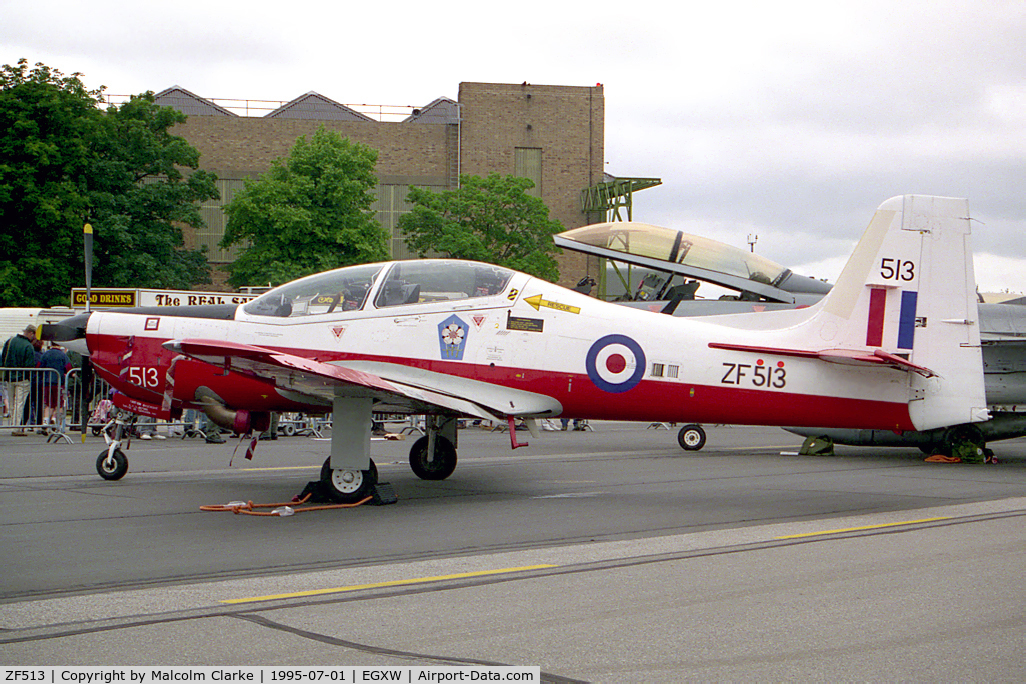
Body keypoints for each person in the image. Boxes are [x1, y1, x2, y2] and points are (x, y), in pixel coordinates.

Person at [2, 326, 38, 436]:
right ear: (31, 334)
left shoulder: (10, 341)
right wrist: (28, 377)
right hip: (22, 379)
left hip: (9, 376)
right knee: (19, 402)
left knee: (12, 402)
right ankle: (17, 426)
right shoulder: (28, 346)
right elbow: (29, 365)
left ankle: (13, 424)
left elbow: (3, 357)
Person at [38, 343, 72, 432]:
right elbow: (68, 368)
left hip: (46, 383)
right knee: (59, 404)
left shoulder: (45, 354)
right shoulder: (63, 355)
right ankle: (54, 419)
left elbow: (39, 366)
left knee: (48, 404)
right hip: (58, 383)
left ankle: (45, 422)